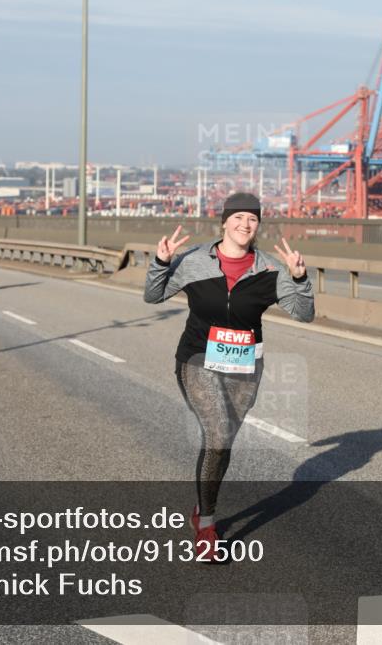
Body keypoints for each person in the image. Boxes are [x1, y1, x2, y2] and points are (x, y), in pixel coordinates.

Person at [143, 192, 315, 562]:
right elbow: (152, 296)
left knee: (220, 443)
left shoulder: (270, 268)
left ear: (258, 225)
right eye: (237, 218)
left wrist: (300, 278)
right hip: (197, 359)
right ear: (224, 222)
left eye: (252, 219)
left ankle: (201, 507)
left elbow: (304, 314)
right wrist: (161, 261)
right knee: (219, 432)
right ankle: (207, 526)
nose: (244, 225)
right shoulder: (193, 260)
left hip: (244, 367)